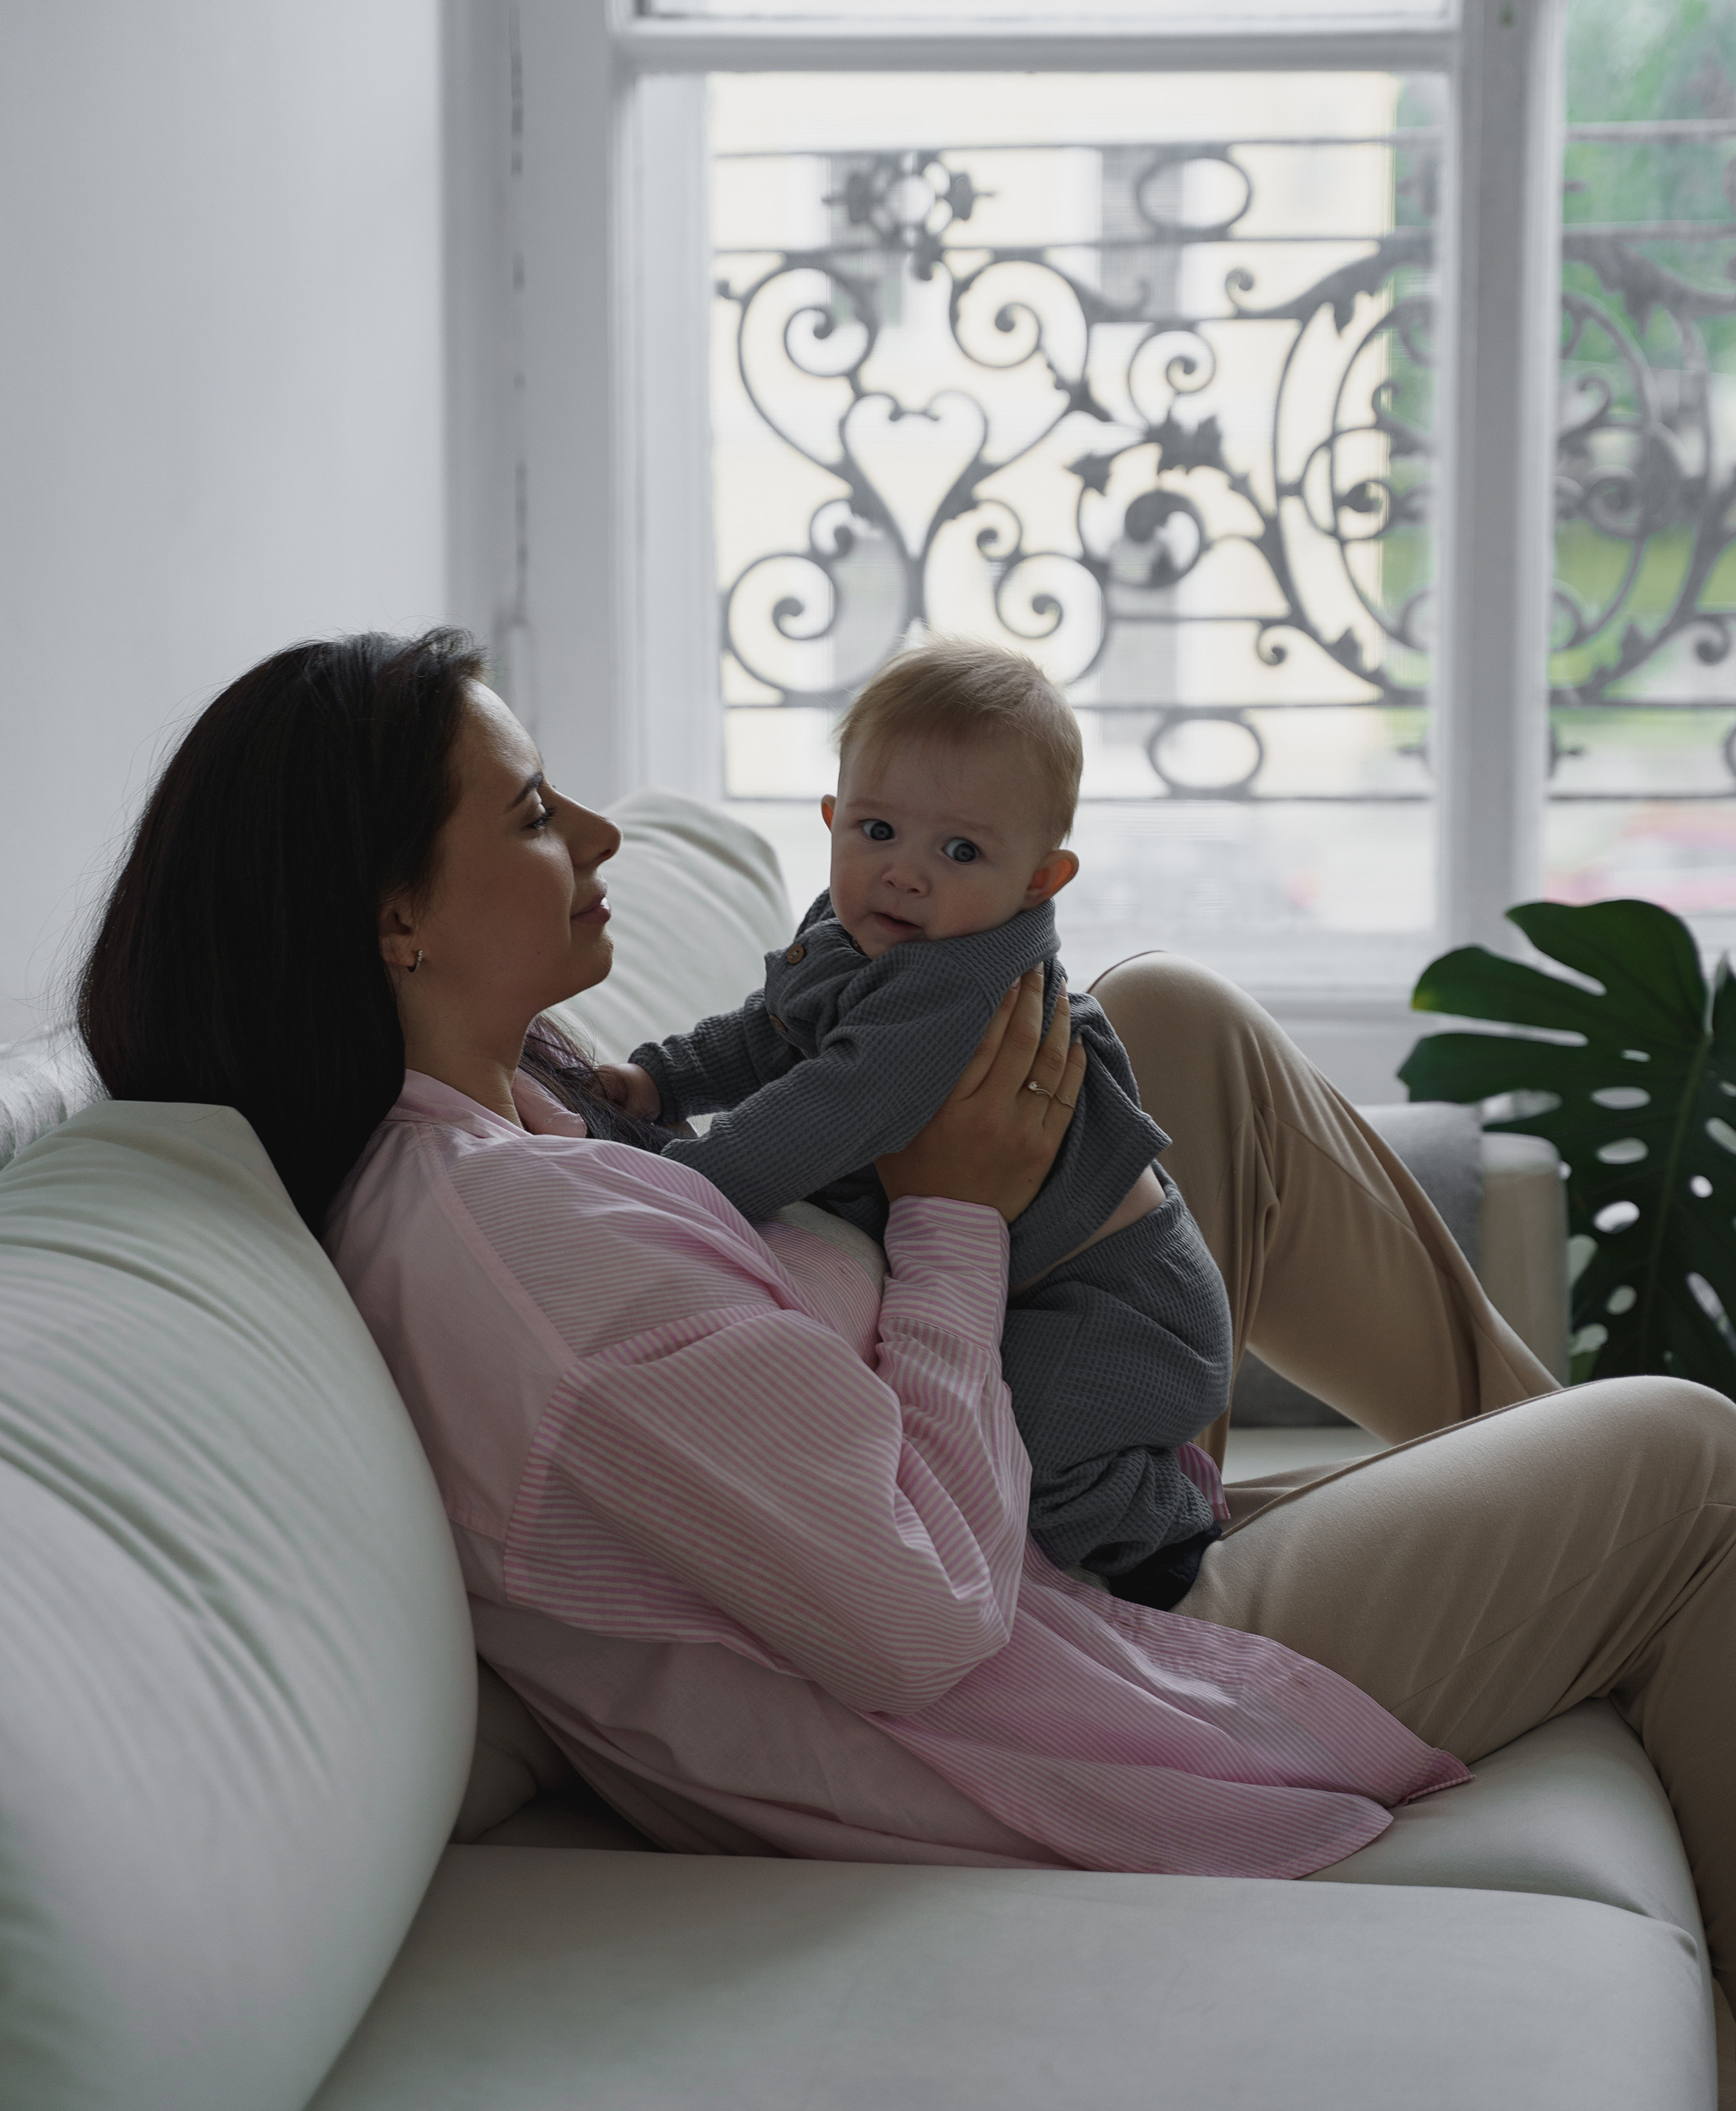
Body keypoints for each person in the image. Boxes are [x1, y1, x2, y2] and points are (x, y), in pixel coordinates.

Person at [77, 631, 1736, 2089]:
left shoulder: (524, 1090)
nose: (593, 835)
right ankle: (1617, 1534)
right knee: (1689, 1455)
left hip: (1051, 1462)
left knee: (1170, 1018)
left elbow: (785, 1093)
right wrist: (955, 1217)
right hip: (1055, 1670)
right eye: (527, 815)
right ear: (390, 921)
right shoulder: (524, 1255)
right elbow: (925, 1613)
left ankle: (1539, 1468)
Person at [601, 639, 1234, 1605]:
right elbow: (773, 1031)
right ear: (831, 819)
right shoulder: (852, 928)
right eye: (878, 828)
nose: (904, 874)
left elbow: (817, 1116)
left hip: (1122, 1309)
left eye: (961, 851)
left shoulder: (954, 989)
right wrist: (659, 1081)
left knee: (1032, 1441)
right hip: (1054, 1289)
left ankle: (1165, 1525)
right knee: (1003, 1418)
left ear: (1041, 881)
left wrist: (671, 1175)